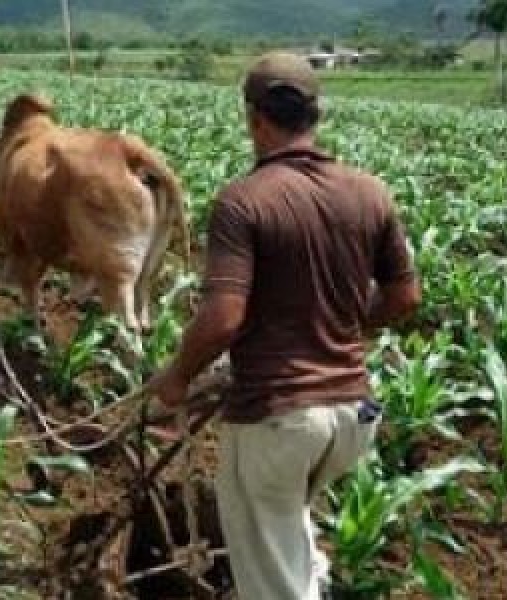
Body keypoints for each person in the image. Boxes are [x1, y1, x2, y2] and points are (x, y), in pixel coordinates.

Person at [145, 51, 421, 600]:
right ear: (316, 115)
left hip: (280, 421)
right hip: (351, 418)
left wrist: (176, 377)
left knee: (271, 584)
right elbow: (405, 296)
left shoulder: (243, 202)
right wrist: (341, 327)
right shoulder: (371, 192)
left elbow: (224, 318)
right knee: (290, 526)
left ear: (254, 117)